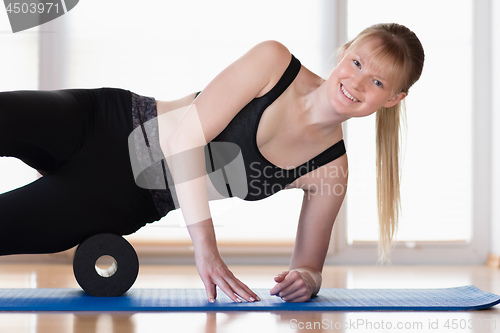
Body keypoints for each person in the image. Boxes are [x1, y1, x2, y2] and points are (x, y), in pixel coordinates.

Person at [0, 23, 424, 303]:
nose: (357, 82)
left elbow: (308, 266)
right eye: (357, 62)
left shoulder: (329, 169)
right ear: (345, 52)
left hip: (115, 200)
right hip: (103, 121)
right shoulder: (275, 63)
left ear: (393, 99)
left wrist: (307, 280)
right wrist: (207, 251)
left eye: (378, 82)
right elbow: (185, 138)